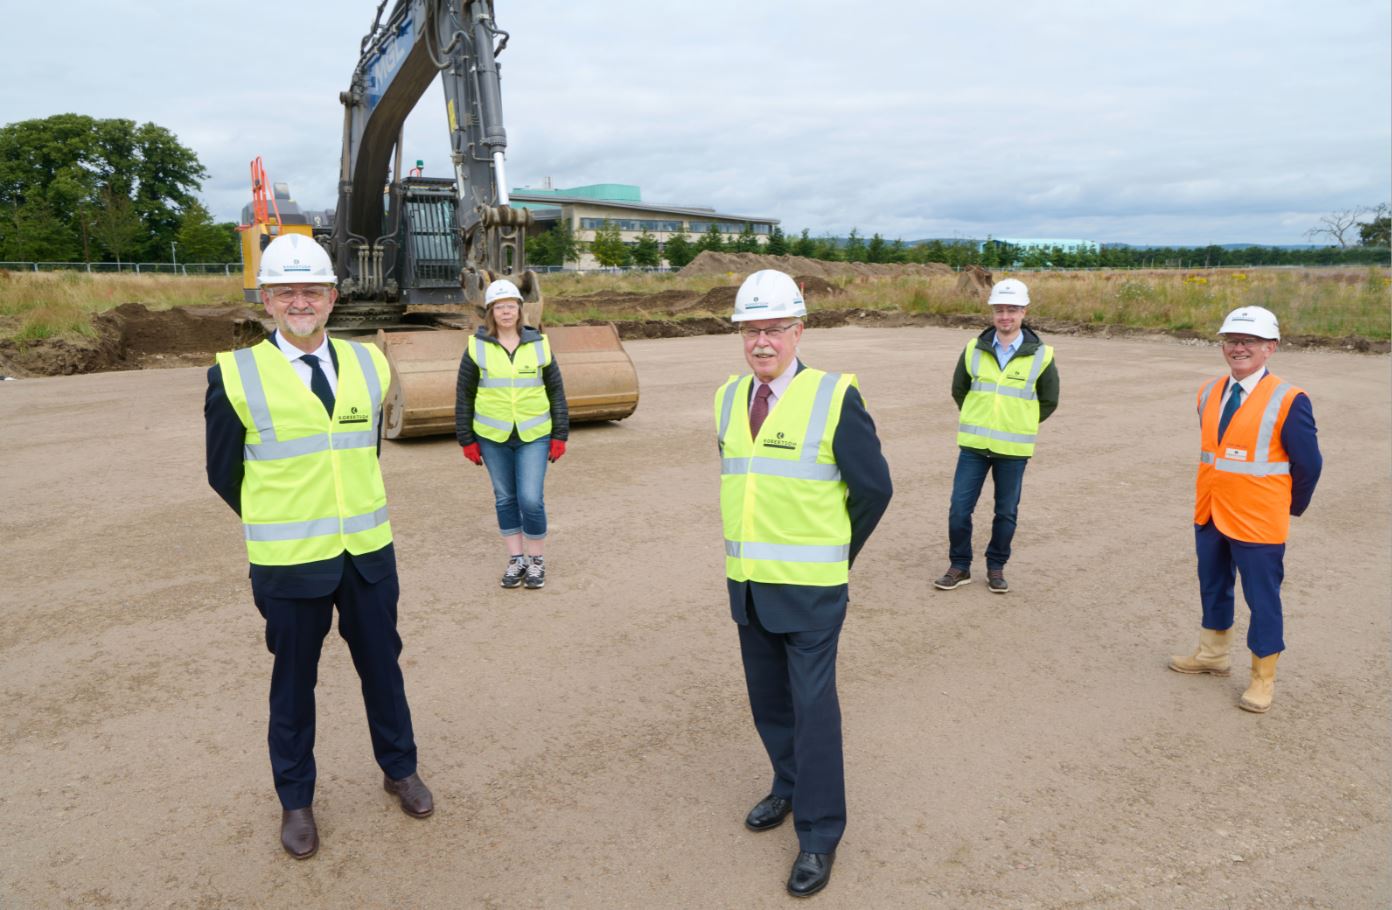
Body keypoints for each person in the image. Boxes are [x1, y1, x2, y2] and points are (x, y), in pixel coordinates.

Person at [205, 233, 433, 860]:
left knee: (384, 671)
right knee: (293, 685)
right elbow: (223, 474)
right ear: (266, 301)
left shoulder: (370, 363)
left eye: (311, 290)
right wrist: (286, 519)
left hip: (367, 555)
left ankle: (400, 769)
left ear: (333, 297)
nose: (299, 301)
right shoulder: (234, 375)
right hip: (290, 564)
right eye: (286, 292)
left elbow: (362, 453)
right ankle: (296, 802)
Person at [714, 270, 892, 898]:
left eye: (774, 329)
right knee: (771, 706)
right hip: (751, 589)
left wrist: (836, 556)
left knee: (814, 713)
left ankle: (819, 836)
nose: (762, 341)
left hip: (812, 592)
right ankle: (786, 787)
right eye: (751, 330)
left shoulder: (834, 396)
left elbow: (874, 490)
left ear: (798, 330)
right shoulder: (728, 397)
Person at [1169, 306, 1321, 713]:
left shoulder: (1290, 399)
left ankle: (1262, 678)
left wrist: (1286, 507)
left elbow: (1308, 465)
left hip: (1258, 520)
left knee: (1262, 598)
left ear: (1270, 348)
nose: (1238, 348)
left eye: (1249, 341)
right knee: (1213, 585)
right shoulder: (1208, 392)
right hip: (1212, 511)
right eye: (1232, 341)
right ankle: (1213, 654)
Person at [933, 278, 1059, 594]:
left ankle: (996, 567)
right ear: (992, 312)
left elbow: (1049, 400)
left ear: (1023, 312)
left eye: (1012, 310)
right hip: (974, 447)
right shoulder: (973, 349)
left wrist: (1019, 422)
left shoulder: (1041, 355)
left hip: (1013, 449)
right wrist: (978, 417)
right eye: (1000, 310)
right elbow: (959, 390)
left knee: (1006, 512)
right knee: (959, 509)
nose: (1005, 316)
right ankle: (959, 566)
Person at [455, 278, 569, 590]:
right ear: (490, 313)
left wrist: (560, 434)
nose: (506, 312)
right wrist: (466, 439)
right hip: (493, 436)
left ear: (520, 310)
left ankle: (536, 560)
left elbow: (556, 391)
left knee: (531, 499)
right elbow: (464, 395)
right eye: (499, 307)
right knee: (505, 498)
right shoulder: (476, 348)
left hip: (534, 434)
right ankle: (516, 558)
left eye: (511, 306)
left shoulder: (539, 344)